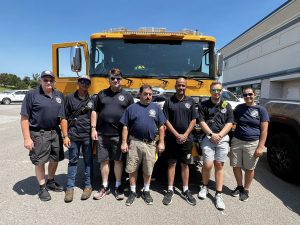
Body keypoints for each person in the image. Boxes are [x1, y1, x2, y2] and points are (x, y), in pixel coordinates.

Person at [20, 70, 65, 201]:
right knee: (40, 161)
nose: (48, 82)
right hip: (39, 133)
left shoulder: (59, 95)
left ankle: (51, 181)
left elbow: (62, 117)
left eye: (51, 80)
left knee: (55, 159)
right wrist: (27, 138)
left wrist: (65, 135)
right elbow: (24, 118)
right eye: (45, 80)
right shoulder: (32, 95)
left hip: (55, 132)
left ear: (54, 81)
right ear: (41, 80)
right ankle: (42, 188)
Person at [91, 68, 134, 201]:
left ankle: (118, 185)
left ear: (121, 80)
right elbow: (94, 112)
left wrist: (127, 138)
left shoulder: (127, 96)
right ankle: (105, 186)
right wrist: (93, 128)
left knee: (118, 160)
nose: (116, 80)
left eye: (118, 78)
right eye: (113, 78)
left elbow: (131, 115)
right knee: (103, 160)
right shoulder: (101, 94)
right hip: (102, 134)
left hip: (119, 135)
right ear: (108, 80)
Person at [120, 84, 166, 206]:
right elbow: (125, 126)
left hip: (150, 144)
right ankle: (133, 191)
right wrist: (124, 142)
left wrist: (161, 142)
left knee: (148, 169)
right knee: (132, 168)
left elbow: (162, 127)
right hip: (134, 143)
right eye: (145, 94)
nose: (148, 96)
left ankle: (146, 190)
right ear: (139, 94)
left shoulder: (156, 108)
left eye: (150, 94)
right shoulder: (131, 108)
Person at [198, 81, 234, 210]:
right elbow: (201, 121)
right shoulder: (203, 105)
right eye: (214, 90)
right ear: (210, 91)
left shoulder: (227, 105)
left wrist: (219, 135)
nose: (216, 92)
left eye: (219, 90)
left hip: (222, 138)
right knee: (207, 164)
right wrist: (211, 134)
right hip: (208, 137)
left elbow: (230, 123)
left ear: (221, 91)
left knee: (219, 165)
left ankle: (218, 194)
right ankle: (204, 186)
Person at [162, 77, 198, 206]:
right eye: (179, 85)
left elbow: (194, 120)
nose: (181, 88)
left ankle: (185, 189)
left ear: (185, 86)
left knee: (185, 164)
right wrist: (177, 134)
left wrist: (185, 135)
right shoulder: (168, 101)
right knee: (171, 164)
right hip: (172, 139)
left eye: (183, 85)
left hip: (187, 139)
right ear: (175, 86)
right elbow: (166, 120)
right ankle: (170, 189)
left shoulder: (191, 101)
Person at [230, 87, 269, 202]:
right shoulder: (239, 108)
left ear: (254, 95)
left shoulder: (261, 110)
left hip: (252, 143)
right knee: (236, 165)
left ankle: (246, 190)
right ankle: (239, 186)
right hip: (237, 140)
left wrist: (261, 146)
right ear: (242, 96)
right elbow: (232, 121)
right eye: (245, 95)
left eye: (250, 94)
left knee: (249, 168)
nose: (248, 97)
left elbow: (264, 130)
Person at [61, 75, 94, 203]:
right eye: (82, 81)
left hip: (87, 136)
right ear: (78, 83)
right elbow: (63, 117)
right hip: (73, 135)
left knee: (88, 162)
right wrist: (65, 136)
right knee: (73, 162)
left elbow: (94, 116)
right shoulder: (69, 98)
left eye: (87, 82)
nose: (84, 84)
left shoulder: (92, 99)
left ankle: (88, 186)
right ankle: (69, 188)